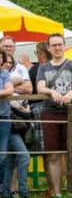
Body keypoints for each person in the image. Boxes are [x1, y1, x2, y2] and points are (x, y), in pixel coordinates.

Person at [36, 33, 72, 198]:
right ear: (49, 48)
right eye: (54, 45)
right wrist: (52, 92)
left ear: (64, 46)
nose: (57, 48)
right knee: (53, 153)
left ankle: (70, 189)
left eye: (60, 44)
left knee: (70, 152)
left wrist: (71, 92)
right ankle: (56, 192)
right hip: (50, 111)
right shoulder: (43, 67)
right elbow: (40, 87)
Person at [2, 53, 30, 198]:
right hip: (7, 120)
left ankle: (13, 193)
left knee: (15, 158)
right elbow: (11, 95)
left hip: (13, 123)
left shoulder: (6, 76)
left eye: (9, 62)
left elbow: (28, 88)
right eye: (4, 62)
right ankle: (16, 192)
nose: (7, 64)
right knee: (11, 159)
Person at [0, 51, 15, 198]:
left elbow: (10, 90)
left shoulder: (4, 74)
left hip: (3, 119)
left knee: (2, 155)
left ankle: (3, 189)